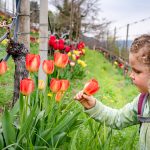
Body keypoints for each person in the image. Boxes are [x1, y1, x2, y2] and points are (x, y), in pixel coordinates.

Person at [74, 34, 150, 150]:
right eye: (131, 70)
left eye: (137, 72)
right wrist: (93, 105)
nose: (131, 75)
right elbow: (117, 118)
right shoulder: (142, 101)